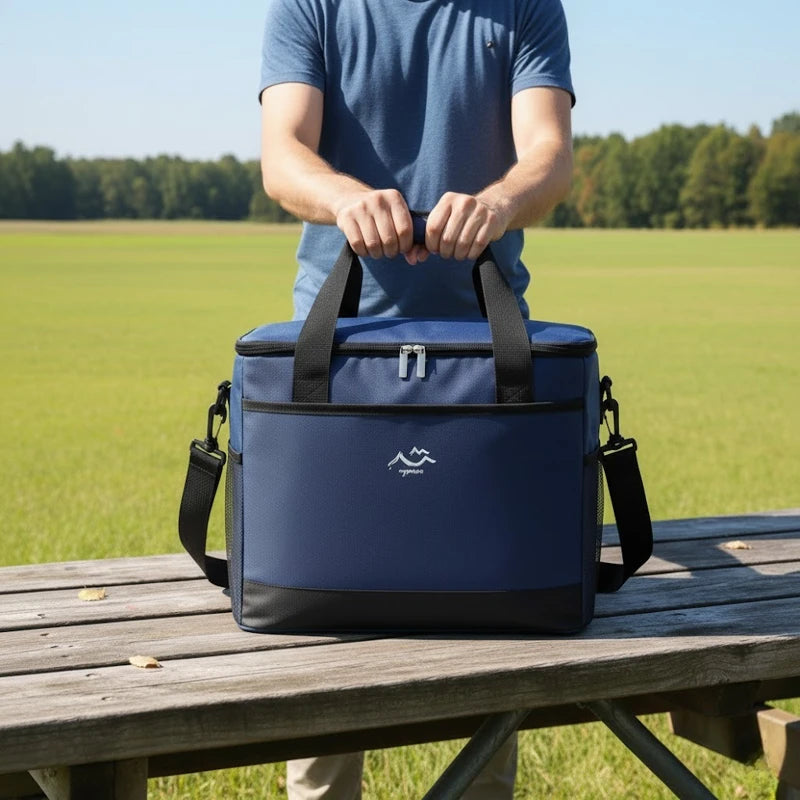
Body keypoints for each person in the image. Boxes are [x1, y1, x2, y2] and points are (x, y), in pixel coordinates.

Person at [258, 0, 574, 796]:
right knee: (323, 616)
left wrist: (498, 203)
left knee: (493, 620)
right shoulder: (312, 6)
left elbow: (549, 152)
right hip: (339, 357)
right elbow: (282, 152)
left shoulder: (525, 6)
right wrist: (342, 198)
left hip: (486, 359)